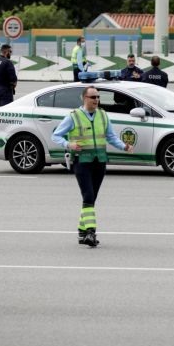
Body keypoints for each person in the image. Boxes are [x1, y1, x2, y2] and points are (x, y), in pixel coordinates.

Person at [51, 86, 134, 247]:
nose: (96, 100)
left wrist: (124, 146)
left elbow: (110, 137)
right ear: (84, 99)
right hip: (82, 162)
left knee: (91, 199)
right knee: (88, 196)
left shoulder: (103, 115)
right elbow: (56, 135)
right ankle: (90, 232)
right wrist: (69, 144)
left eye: (97, 97)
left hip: (100, 161)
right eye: (93, 97)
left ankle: (82, 233)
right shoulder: (73, 116)